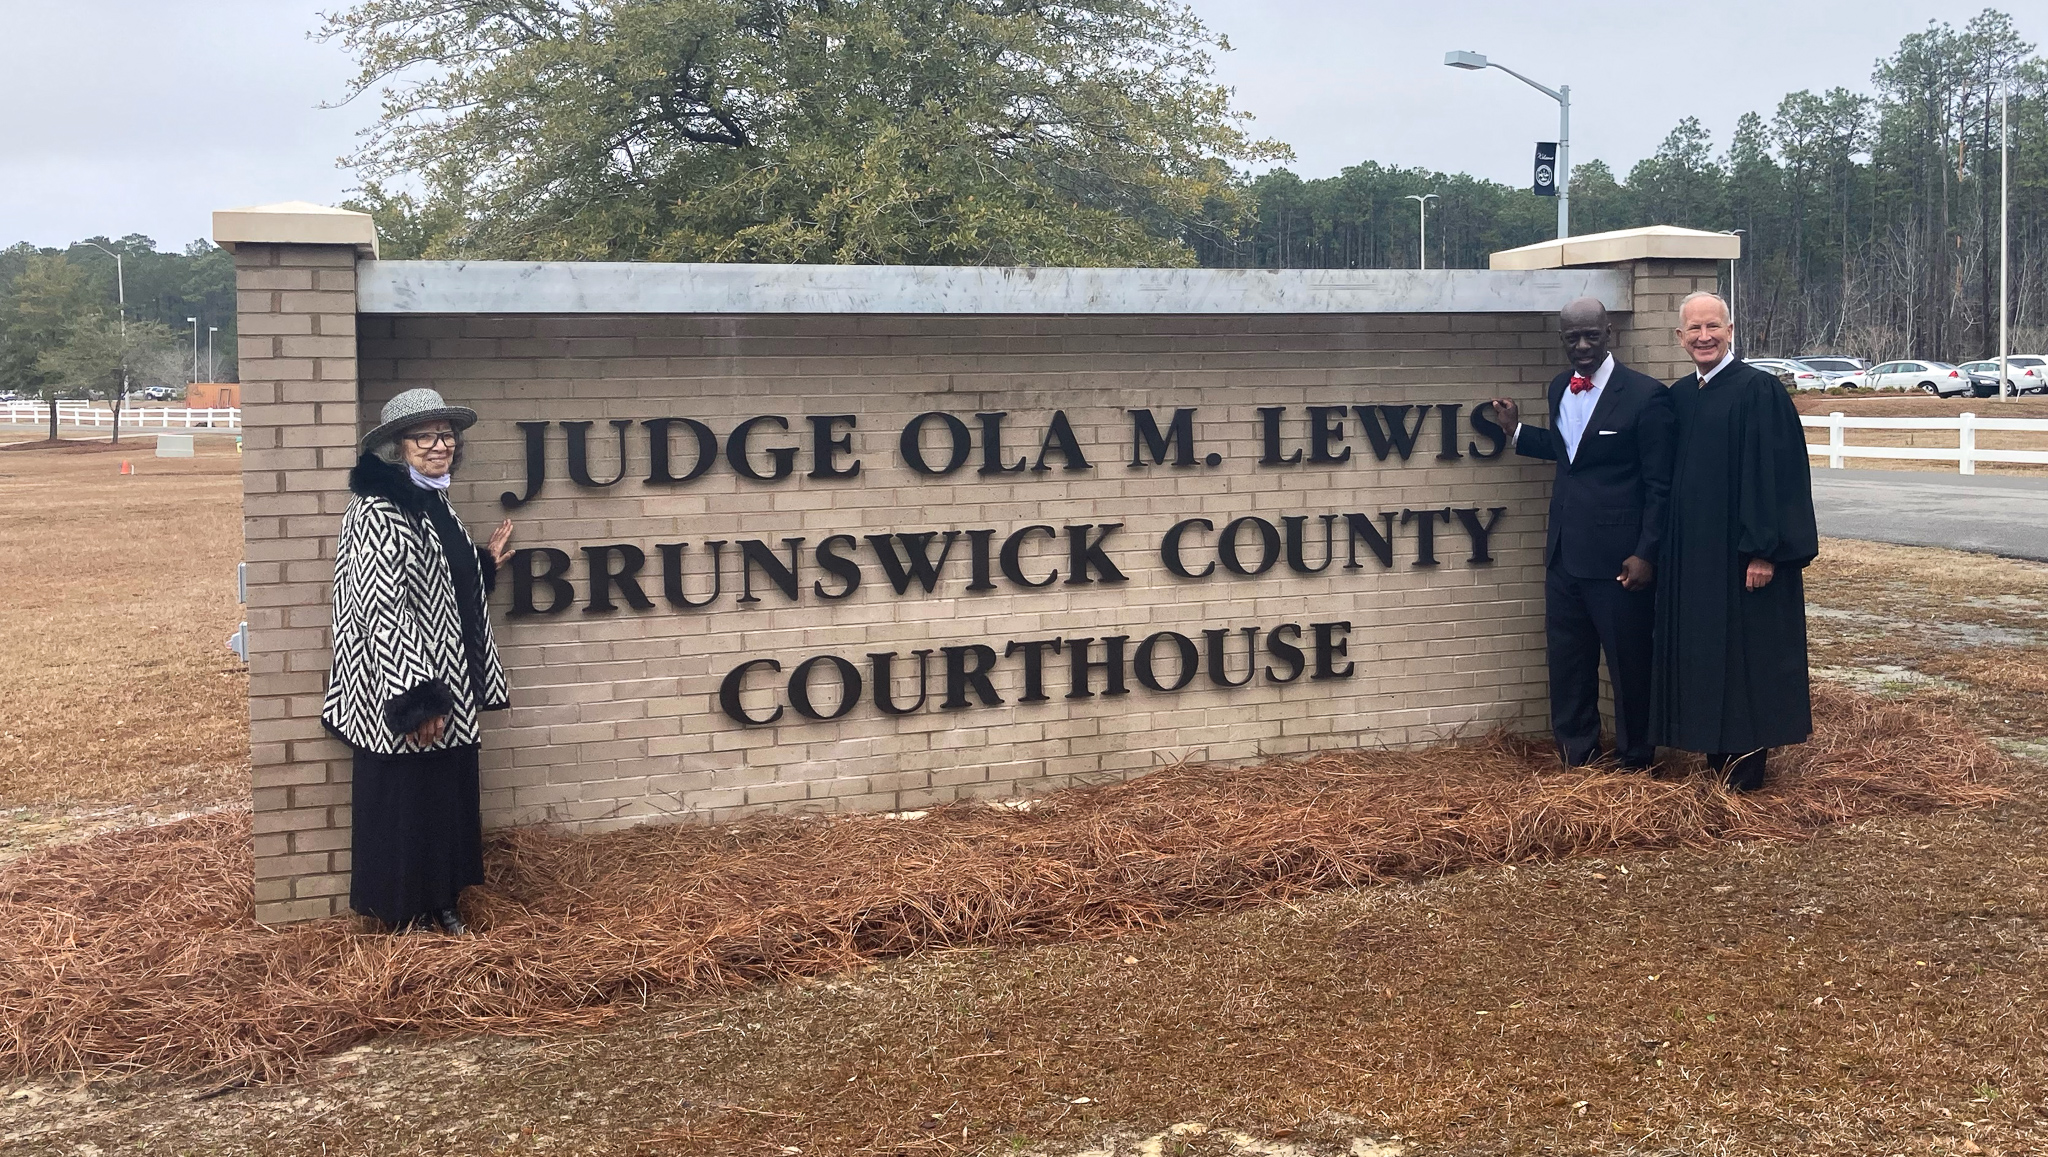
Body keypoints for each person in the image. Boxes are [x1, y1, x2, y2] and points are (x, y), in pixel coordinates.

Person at [322, 388, 515, 933]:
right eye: (425, 436)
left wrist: (481, 566)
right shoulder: (379, 508)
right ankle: (405, 911)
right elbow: (380, 604)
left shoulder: (433, 499)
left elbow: (432, 580)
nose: (440, 445)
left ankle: (442, 899)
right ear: (397, 446)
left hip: (445, 675)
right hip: (402, 686)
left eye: (447, 435)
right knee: (405, 798)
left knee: (443, 795)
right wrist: (415, 697)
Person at [1492, 297, 1675, 770]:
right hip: (1565, 555)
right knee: (1569, 662)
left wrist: (1646, 553)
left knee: (1629, 664)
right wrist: (1516, 433)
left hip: (1620, 561)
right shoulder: (1559, 388)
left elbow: (1661, 486)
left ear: (1608, 331)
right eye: (1572, 337)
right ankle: (1579, 755)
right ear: (1562, 340)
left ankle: (1637, 759)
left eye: (1591, 334)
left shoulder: (1645, 396)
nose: (1583, 345)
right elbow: (1569, 451)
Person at [1649, 292, 1819, 792]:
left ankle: (1745, 773)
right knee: (1706, 655)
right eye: (1694, 329)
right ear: (1679, 338)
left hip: (1744, 558)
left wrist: (1764, 550)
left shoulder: (1758, 392)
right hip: (1696, 559)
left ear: (1730, 330)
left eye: (1713, 327)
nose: (1704, 337)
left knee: (1747, 659)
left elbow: (1776, 477)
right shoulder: (1681, 396)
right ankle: (1714, 759)